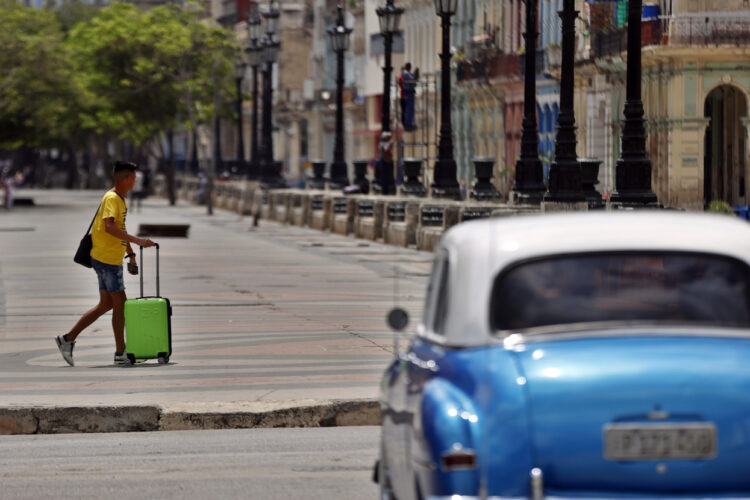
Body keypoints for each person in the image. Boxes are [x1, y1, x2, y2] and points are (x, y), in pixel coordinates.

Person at [55, 161, 155, 366]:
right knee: (120, 304)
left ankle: (67, 339)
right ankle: (120, 352)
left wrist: (130, 253)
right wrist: (138, 241)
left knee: (106, 304)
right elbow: (109, 227)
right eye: (134, 178)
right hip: (107, 260)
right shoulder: (112, 198)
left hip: (108, 258)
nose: (135, 182)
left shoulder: (119, 199)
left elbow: (120, 227)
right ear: (126, 179)